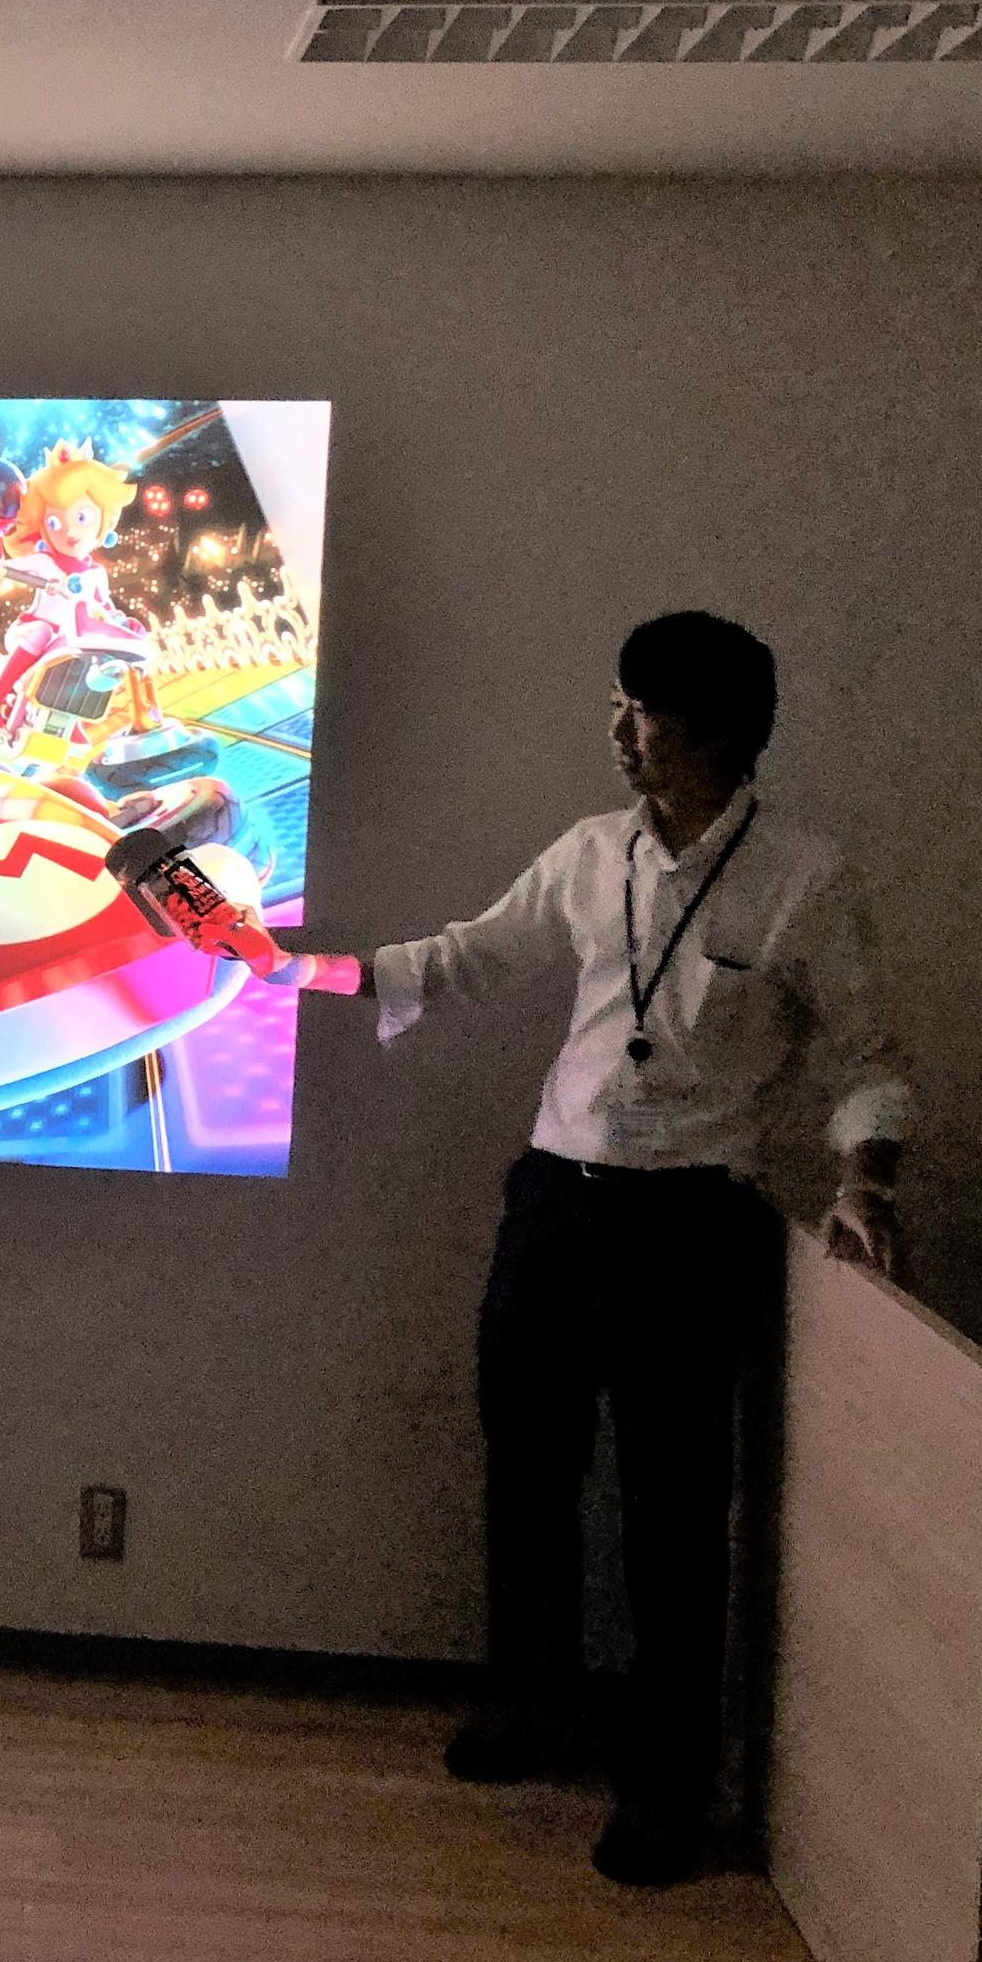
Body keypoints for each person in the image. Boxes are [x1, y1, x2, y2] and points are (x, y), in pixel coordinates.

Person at [326, 611, 908, 1888]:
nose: (616, 730)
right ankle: (524, 1706)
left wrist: (866, 1179)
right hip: (553, 1198)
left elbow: (867, 1058)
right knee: (525, 1467)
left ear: (715, 731)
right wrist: (301, 974)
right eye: (617, 704)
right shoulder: (592, 852)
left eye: (639, 710)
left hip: (693, 1221)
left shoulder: (804, 877)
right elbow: (466, 957)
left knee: (671, 1508)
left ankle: (664, 1783)